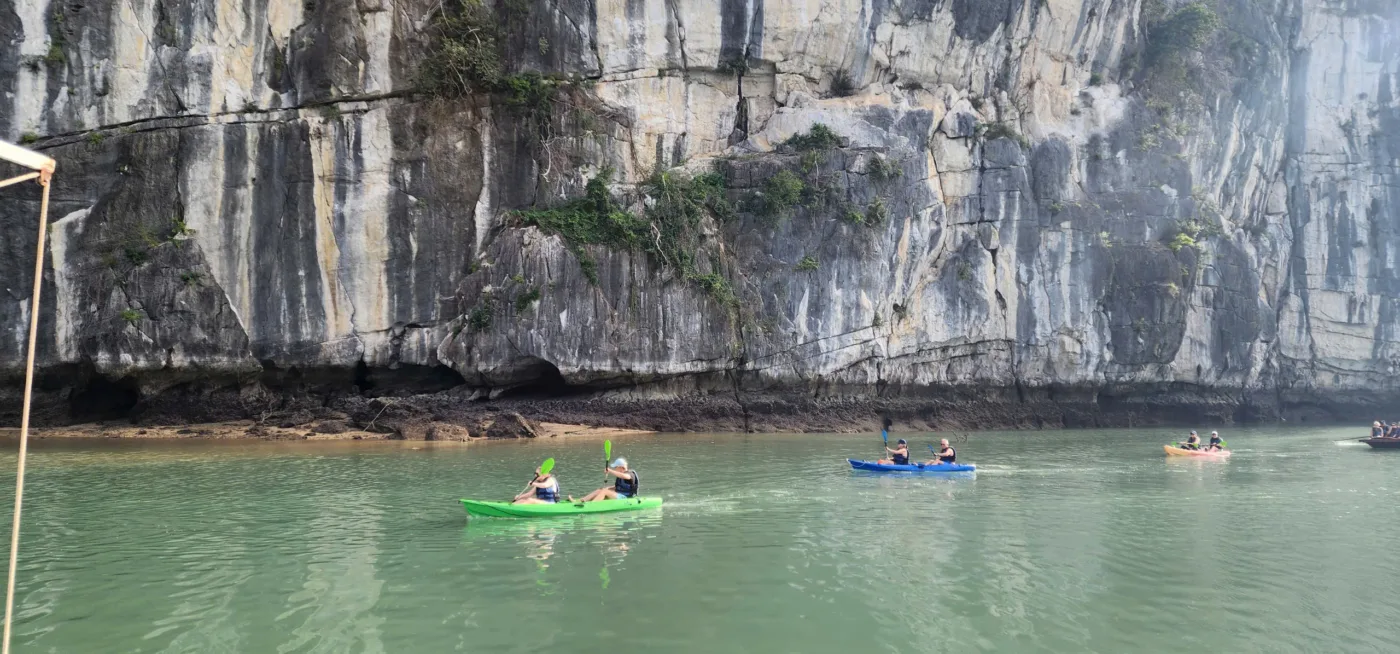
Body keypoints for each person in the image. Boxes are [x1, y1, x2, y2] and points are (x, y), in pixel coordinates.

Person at [574, 458, 639, 503]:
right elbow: (618, 487)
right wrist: (608, 488)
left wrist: (610, 470)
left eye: (616, 467)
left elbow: (625, 476)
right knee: (600, 490)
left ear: (621, 467)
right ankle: (582, 500)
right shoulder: (620, 475)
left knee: (604, 492)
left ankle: (591, 505)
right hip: (619, 494)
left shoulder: (630, 474)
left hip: (626, 497)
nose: (615, 469)